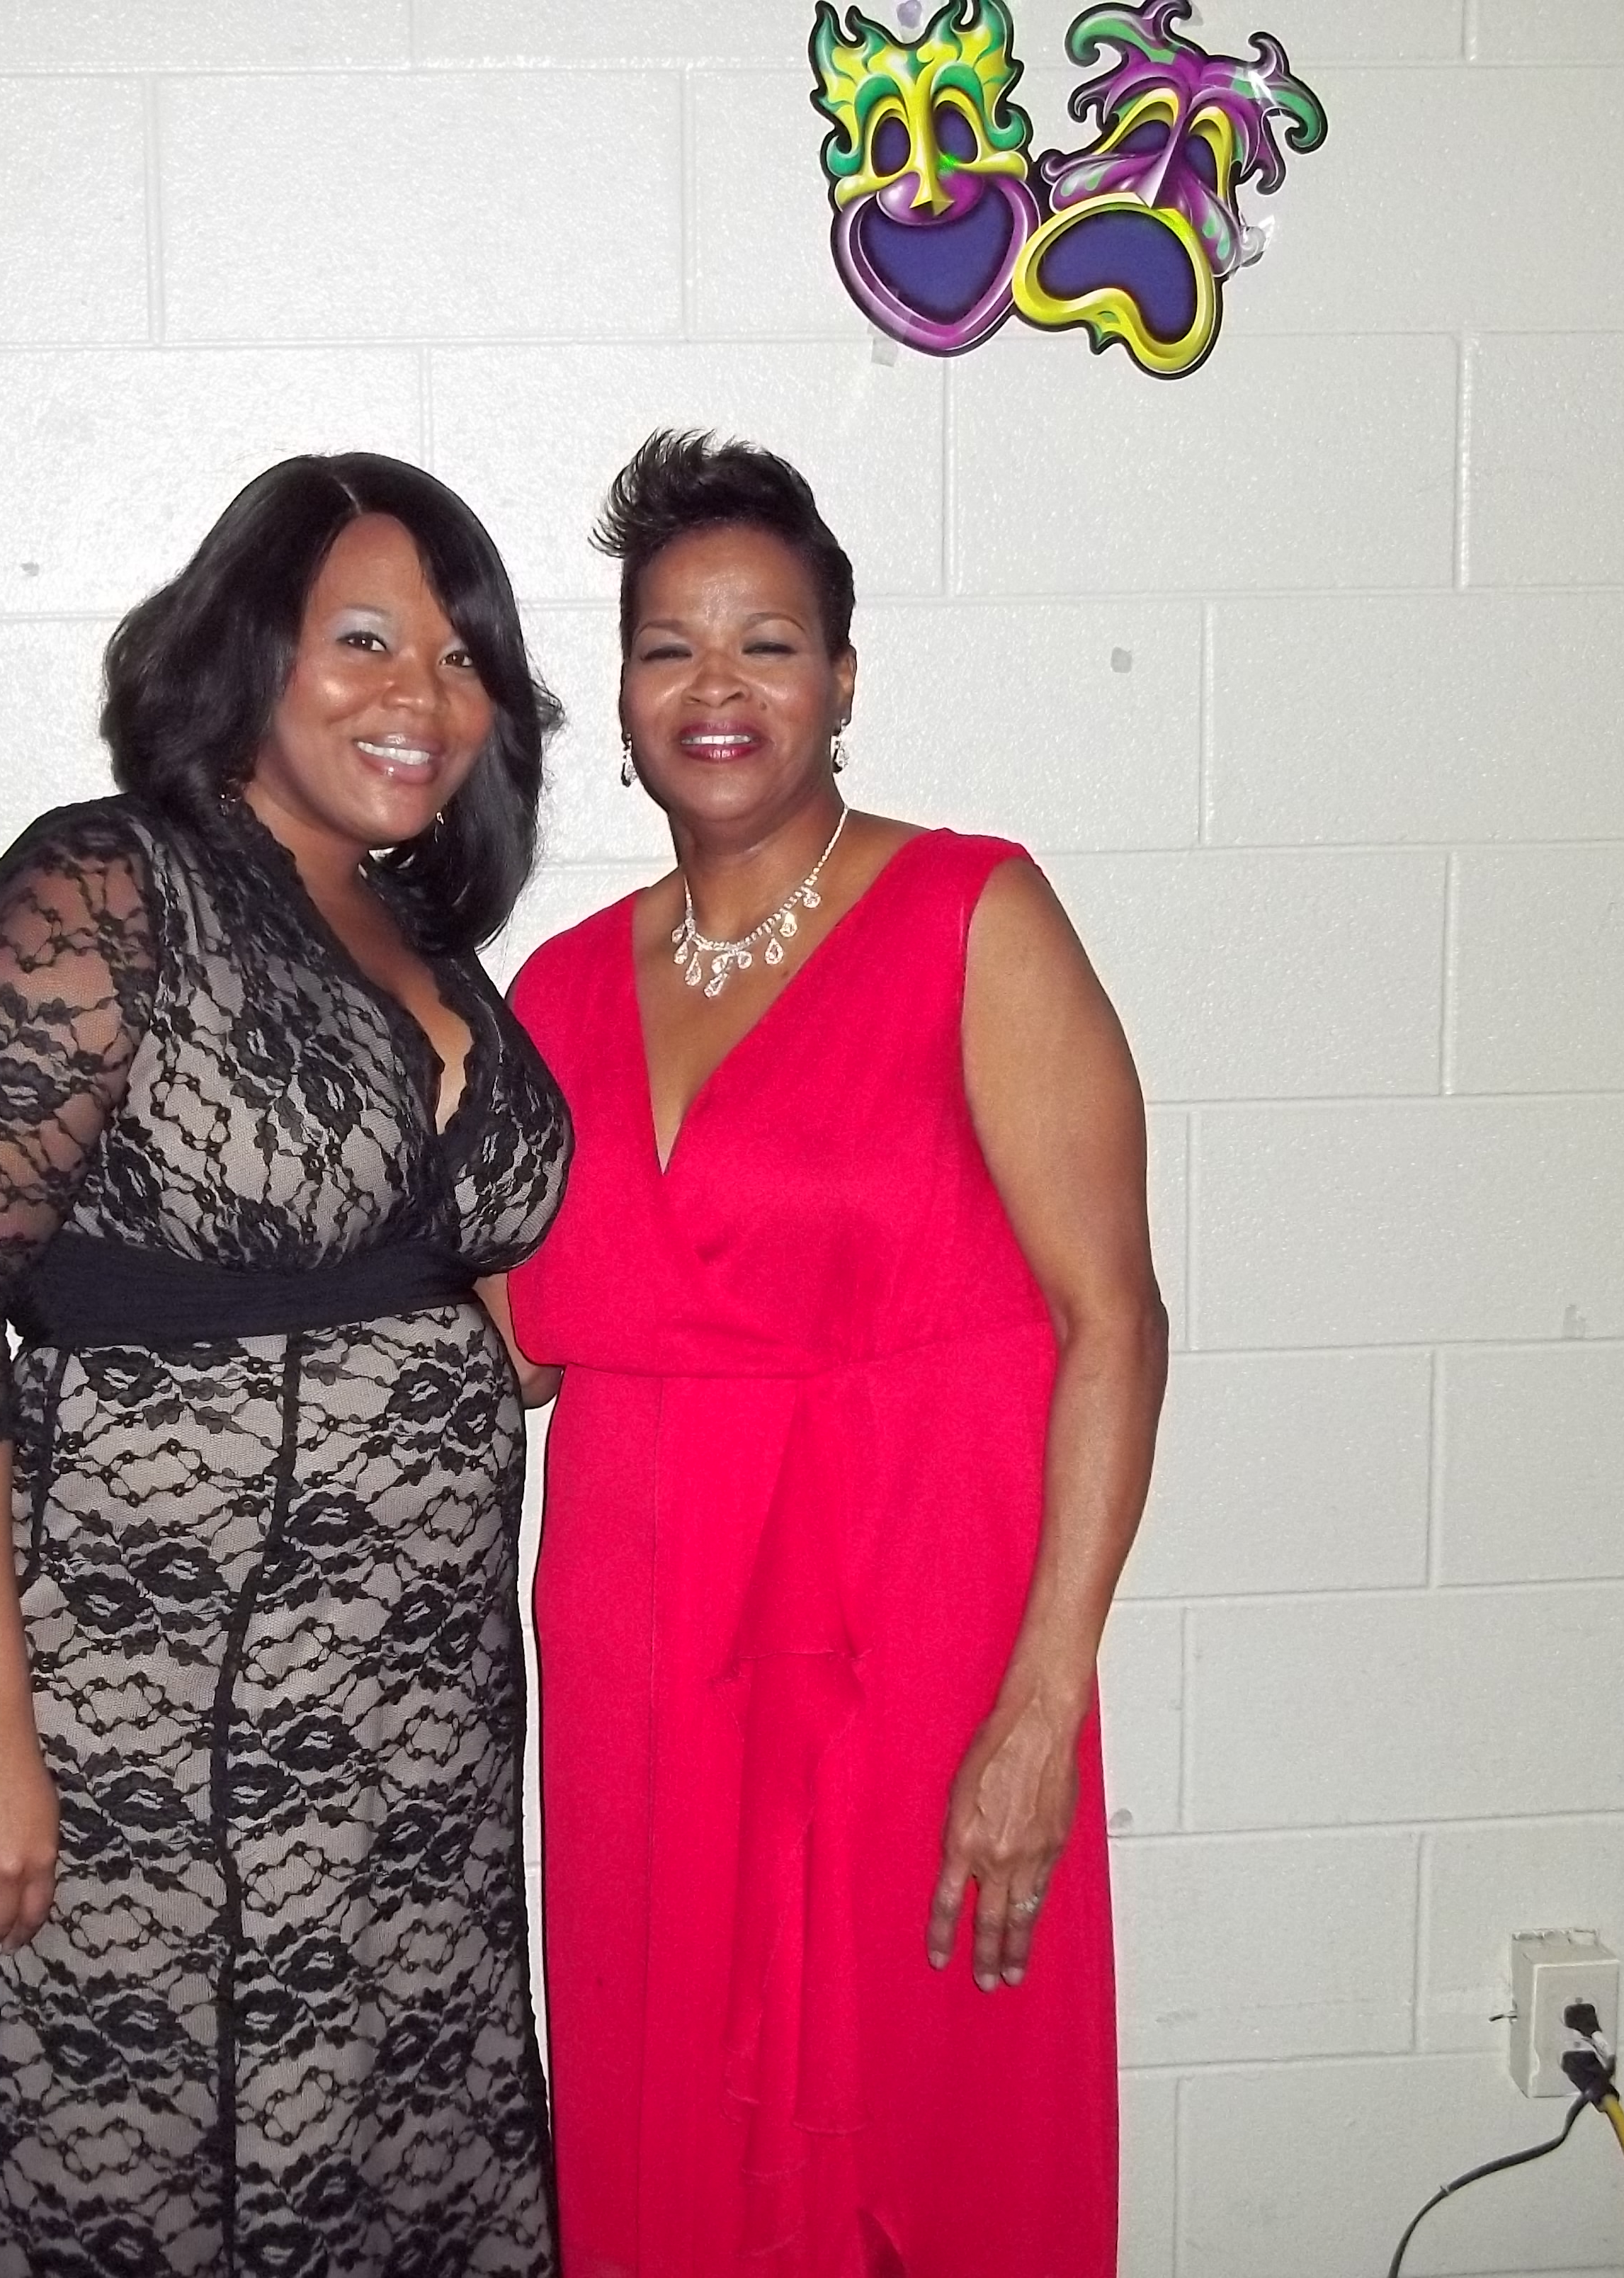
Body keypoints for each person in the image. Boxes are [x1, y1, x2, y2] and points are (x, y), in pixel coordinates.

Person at [0, 453, 574, 2277]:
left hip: (419, 1730)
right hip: (153, 1720)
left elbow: (453, 1278)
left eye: (461, 658)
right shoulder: (107, 886)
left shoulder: (419, 932)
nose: (421, 696)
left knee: (389, 2164)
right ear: (248, 646)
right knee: (145, 2182)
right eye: (363, 640)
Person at [502, 431, 1166, 2277]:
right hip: (645, 1685)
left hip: (914, 1665)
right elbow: (502, 1349)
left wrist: (1041, 1706)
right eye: (668, 647)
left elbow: (1114, 1321)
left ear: (843, 678)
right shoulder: (557, 990)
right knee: (672, 2166)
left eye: (767, 643)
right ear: (622, 698)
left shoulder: (972, 916)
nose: (714, 687)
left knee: (929, 2161)